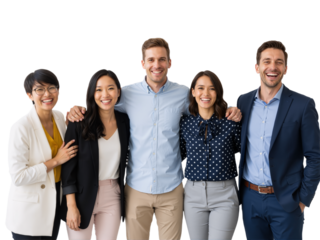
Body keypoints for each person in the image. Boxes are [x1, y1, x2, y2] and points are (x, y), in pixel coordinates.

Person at [67, 37, 242, 240]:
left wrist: (230, 108)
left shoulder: (184, 94)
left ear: (170, 62)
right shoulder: (126, 94)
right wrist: (77, 109)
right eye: (150, 60)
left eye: (161, 59)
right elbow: (102, 102)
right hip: (136, 189)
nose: (156, 65)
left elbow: (207, 104)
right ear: (142, 63)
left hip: (172, 189)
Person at [236, 40, 320, 239]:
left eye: (278, 62)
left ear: (286, 68)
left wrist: (303, 200)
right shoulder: (243, 102)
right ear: (256, 67)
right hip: (250, 199)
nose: (272, 67)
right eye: (266, 61)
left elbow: (315, 157)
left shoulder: (303, 105)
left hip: (286, 201)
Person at [5, 68, 78, 239]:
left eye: (52, 87)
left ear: (59, 90)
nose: (47, 93)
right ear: (29, 94)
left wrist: (79, 109)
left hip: (54, 203)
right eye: (39, 89)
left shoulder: (61, 118)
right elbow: (18, 176)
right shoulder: (20, 127)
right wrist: (55, 161)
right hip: (29, 212)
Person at [60, 69, 130, 240]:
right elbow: (68, 169)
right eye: (98, 89)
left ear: (118, 92)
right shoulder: (79, 123)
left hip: (113, 195)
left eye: (111, 88)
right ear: (92, 93)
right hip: (80, 196)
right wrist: (71, 206)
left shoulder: (125, 121)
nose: (105, 94)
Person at [180, 70, 240, 240]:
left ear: (218, 93)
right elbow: (178, 153)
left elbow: (247, 152)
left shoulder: (231, 122)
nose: (205, 94)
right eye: (200, 88)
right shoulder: (185, 122)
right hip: (192, 194)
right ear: (192, 91)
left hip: (224, 194)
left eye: (212, 88)